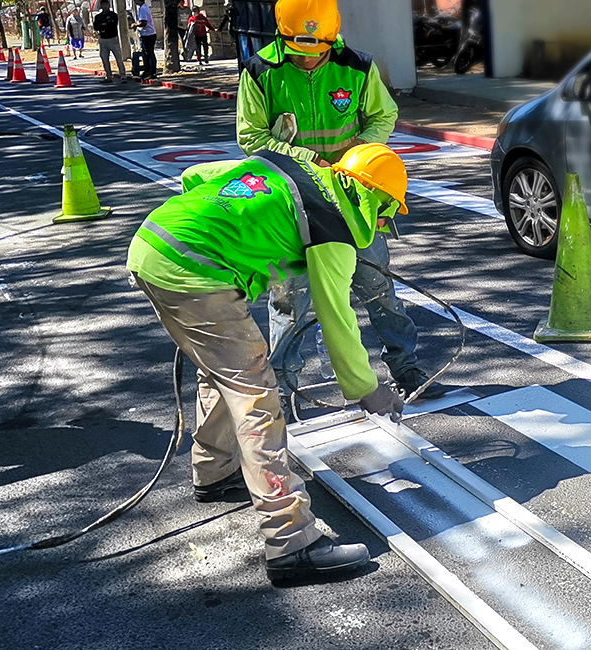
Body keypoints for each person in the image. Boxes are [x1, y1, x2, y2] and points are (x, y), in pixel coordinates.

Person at [126, 143, 409, 583]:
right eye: (389, 214)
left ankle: (215, 471)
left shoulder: (292, 167)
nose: (385, 225)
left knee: (220, 370)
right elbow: (338, 320)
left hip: (154, 243)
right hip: (195, 271)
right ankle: (290, 542)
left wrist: (226, 229)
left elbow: (197, 177)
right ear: (377, 198)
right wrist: (366, 388)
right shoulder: (335, 228)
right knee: (255, 393)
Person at [237, 0, 445, 410]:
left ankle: (405, 367)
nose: (311, 60)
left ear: (333, 39)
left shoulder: (357, 66)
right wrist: (306, 160)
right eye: (301, 54)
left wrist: (362, 153)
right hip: (292, 201)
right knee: (290, 298)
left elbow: (383, 116)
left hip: (353, 196)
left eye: (319, 52)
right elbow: (251, 137)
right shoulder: (261, 72)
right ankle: (282, 388)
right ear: (283, 39)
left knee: (376, 284)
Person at [92, 0, 126, 83]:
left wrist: (103, 25)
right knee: (104, 58)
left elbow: (112, 25)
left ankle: (123, 75)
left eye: (106, 4)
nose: (104, 6)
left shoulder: (113, 15)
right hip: (103, 39)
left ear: (108, 5)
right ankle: (108, 76)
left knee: (118, 57)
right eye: (103, 4)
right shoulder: (98, 17)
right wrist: (104, 25)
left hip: (113, 38)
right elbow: (96, 27)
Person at [132, 0, 157, 79]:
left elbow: (144, 23)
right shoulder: (144, 7)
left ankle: (152, 72)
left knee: (148, 54)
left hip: (147, 34)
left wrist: (135, 25)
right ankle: (147, 71)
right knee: (146, 54)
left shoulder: (143, 9)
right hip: (147, 34)